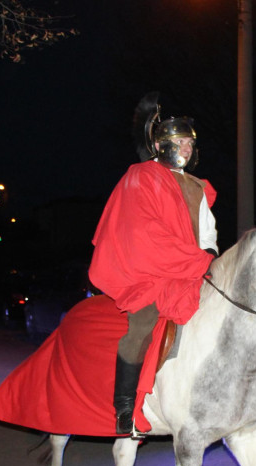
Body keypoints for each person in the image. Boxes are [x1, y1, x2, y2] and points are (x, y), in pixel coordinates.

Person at [89, 94, 219, 435]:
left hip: (193, 269)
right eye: (179, 142)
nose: (186, 148)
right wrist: (194, 260)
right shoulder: (140, 176)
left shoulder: (198, 187)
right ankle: (124, 409)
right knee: (143, 323)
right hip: (149, 272)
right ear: (161, 145)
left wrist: (211, 259)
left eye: (190, 142)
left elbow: (207, 233)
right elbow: (141, 232)